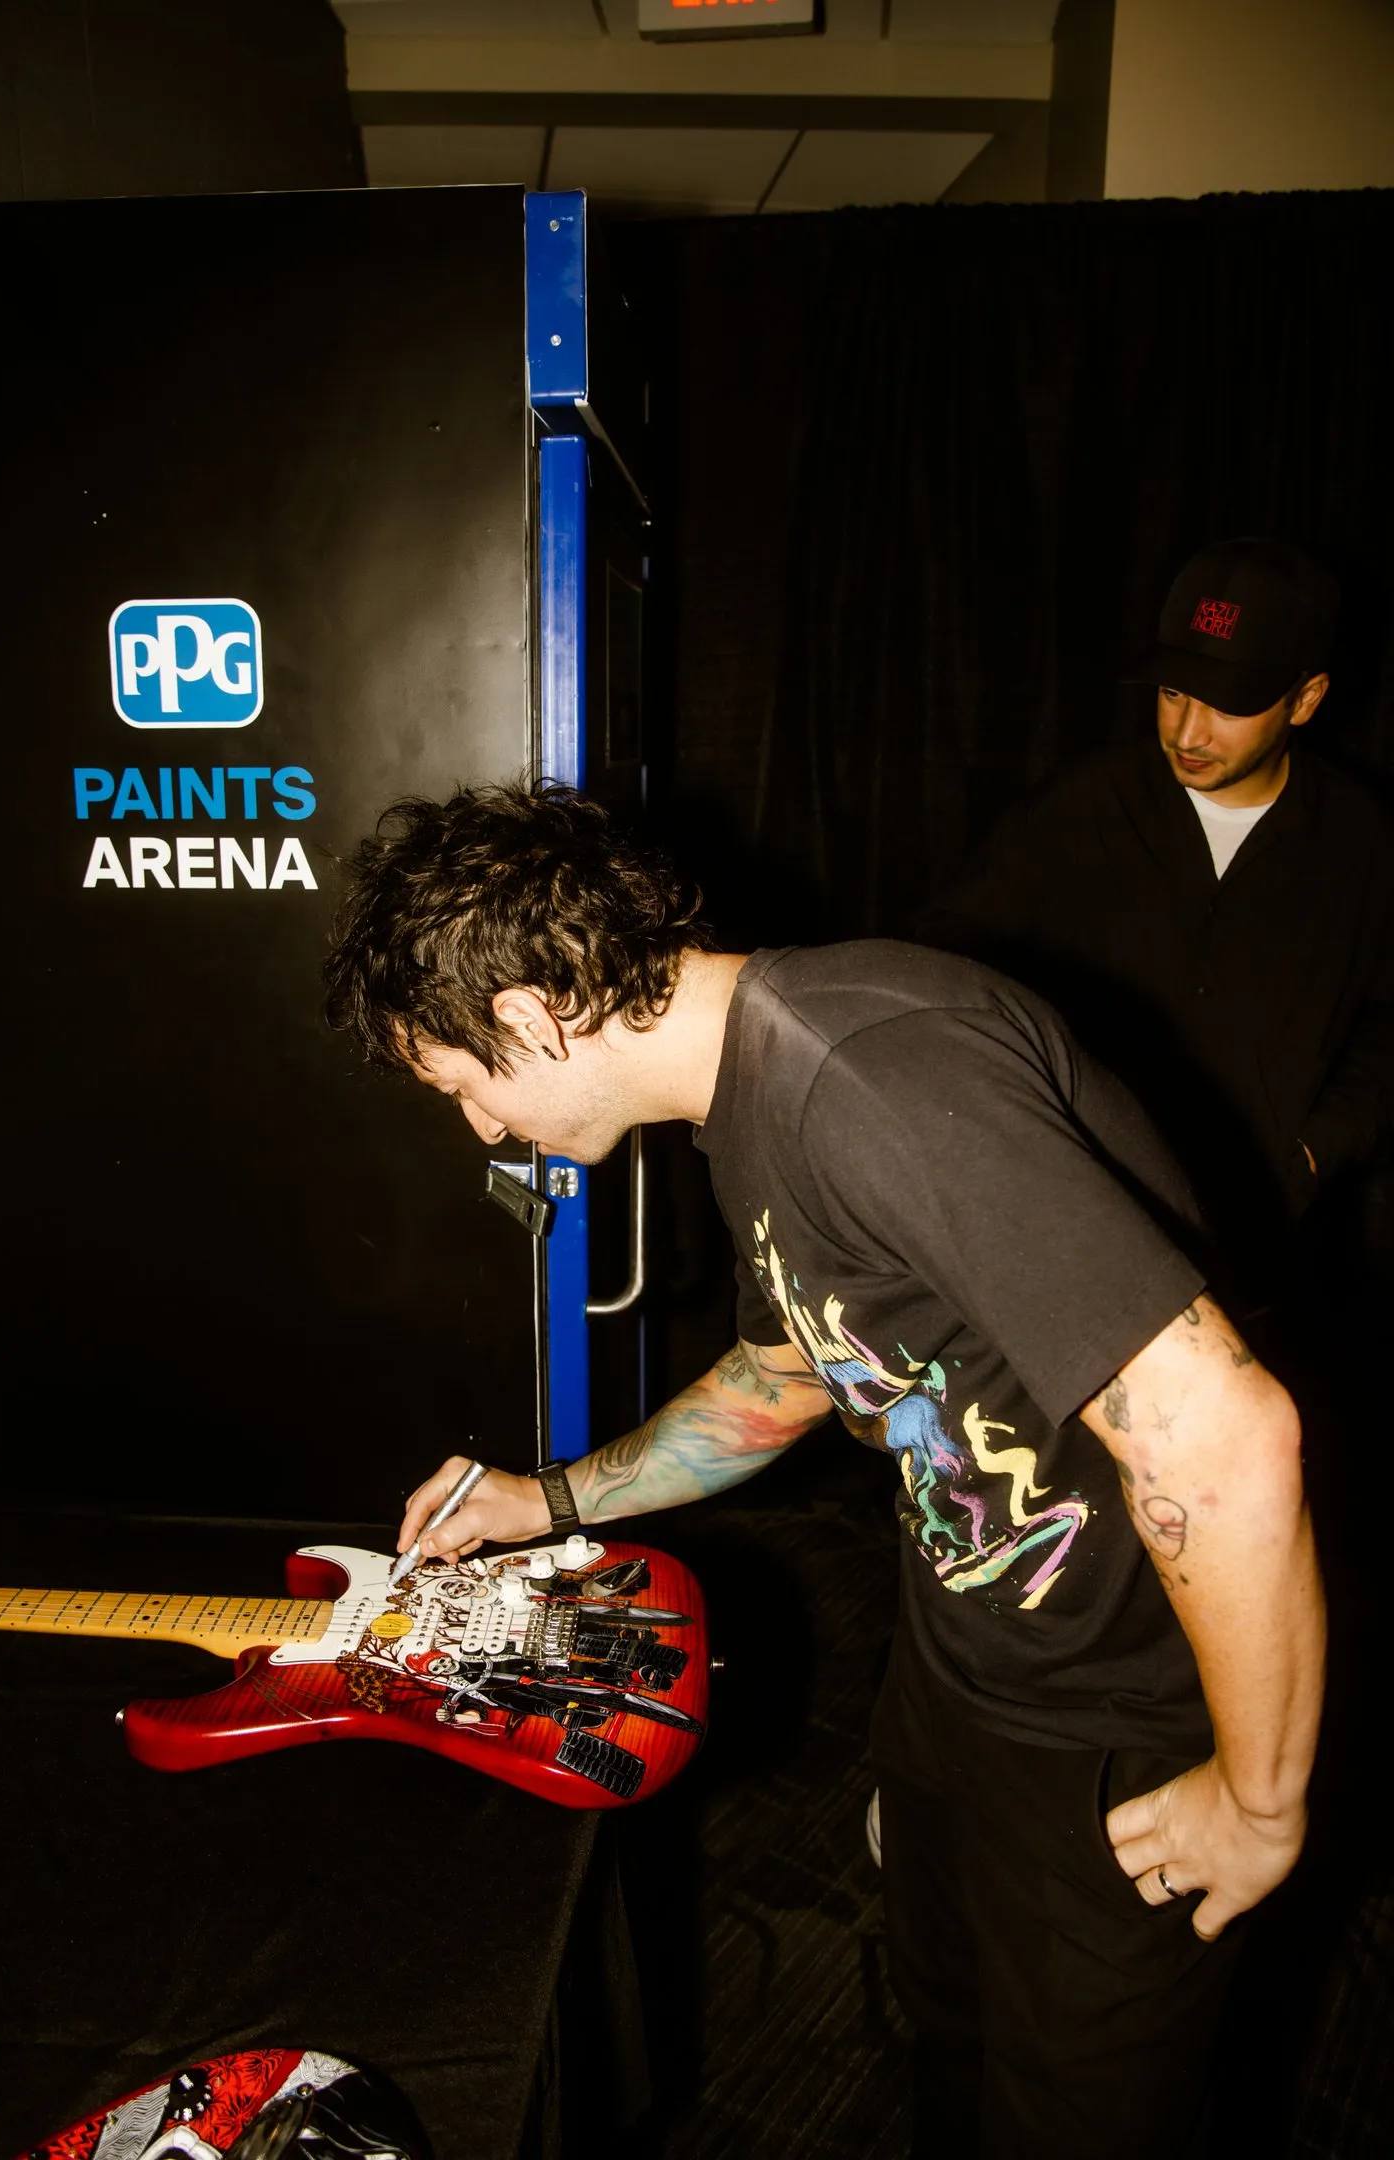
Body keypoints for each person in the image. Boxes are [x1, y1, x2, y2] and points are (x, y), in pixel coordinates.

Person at [324, 782, 1324, 2159]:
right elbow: (786, 1375)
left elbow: (1224, 1436)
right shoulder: (756, 1098)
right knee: (952, 2049)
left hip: (1127, 1726)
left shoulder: (871, 1073)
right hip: (967, 1682)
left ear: (526, 1017)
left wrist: (1261, 1798)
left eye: (465, 1093)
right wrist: (544, 1500)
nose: (484, 1135)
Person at [918, 537, 1394, 1313]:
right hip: (1080, 1238)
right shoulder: (1078, 810)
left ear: (1305, 700)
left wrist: (1312, 1152)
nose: (1188, 732)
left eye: (1227, 702)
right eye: (1174, 692)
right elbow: (946, 957)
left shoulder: (1367, 845)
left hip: (1266, 1263)